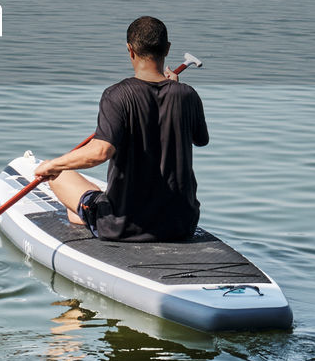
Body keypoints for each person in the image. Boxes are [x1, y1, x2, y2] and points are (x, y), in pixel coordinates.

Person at [33, 16, 208, 243]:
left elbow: (100, 152)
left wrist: (52, 165)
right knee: (81, 202)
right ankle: (82, 213)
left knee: (59, 176)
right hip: (182, 225)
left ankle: (84, 213)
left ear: (130, 50)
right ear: (167, 49)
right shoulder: (188, 95)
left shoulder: (117, 95)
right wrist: (175, 91)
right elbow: (200, 139)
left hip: (124, 226)